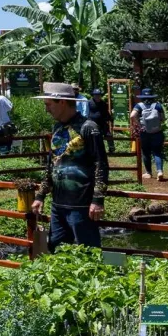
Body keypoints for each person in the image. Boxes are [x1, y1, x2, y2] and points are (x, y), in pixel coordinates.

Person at [31, 82, 109, 251]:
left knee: (88, 252)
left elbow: (101, 164)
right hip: (58, 205)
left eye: (48, 105)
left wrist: (97, 200)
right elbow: (51, 164)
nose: (46, 109)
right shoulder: (57, 127)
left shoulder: (89, 128)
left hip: (82, 206)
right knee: (56, 250)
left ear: (62, 102)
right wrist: (40, 195)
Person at [130, 88, 166, 179]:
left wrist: (139, 124)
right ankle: (160, 171)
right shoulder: (157, 105)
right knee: (157, 152)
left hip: (145, 132)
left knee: (146, 153)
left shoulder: (139, 106)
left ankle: (148, 173)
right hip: (157, 132)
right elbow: (163, 118)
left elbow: (132, 115)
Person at [88, 88, 114, 153]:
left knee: (109, 135)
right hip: (92, 124)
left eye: (99, 95)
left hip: (102, 123)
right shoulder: (89, 103)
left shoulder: (103, 103)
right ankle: (94, 150)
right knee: (95, 137)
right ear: (93, 95)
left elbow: (106, 113)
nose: (98, 96)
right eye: (96, 95)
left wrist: (111, 119)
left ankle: (112, 149)